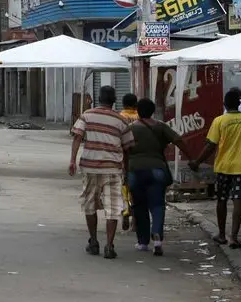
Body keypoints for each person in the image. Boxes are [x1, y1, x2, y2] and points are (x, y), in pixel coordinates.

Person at [189, 90, 241, 249]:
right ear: (238, 104)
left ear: (225, 105)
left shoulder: (219, 121)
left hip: (223, 167)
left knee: (221, 200)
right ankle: (234, 238)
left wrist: (197, 162)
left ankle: (222, 235)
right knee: (238, 200)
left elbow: (210, 145)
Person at [124, 98, 197, 256]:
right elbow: (178, 140)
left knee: (139, 207)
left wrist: (124, 171)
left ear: (138, 111)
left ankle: (143, 242)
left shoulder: (130, 129)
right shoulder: (160, 126)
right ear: (152, 110)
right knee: (157, 205)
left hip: (135, 170)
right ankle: (157, 236)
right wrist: (191, 158)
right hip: (157, 169)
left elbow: (124, 149)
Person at [69, 85, 133, 260]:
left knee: (90, 204)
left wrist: (72, 161)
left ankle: (94, 241)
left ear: (98, 98)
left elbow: (77, 137)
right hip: (113, 168)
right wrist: (126, 169)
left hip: (90, 167)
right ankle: (109, 245)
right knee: (113, 207)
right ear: (114, 101)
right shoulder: (121, 120)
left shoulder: (87, 115)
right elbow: (127, 149)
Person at [118, 93, 139, 232]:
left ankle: (126, 211)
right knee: (137, 189)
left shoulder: (120, 117)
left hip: (123, 155)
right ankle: (135, 223)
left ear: (123, 104)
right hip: (138, 156)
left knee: (124, 184)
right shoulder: (140, 117)